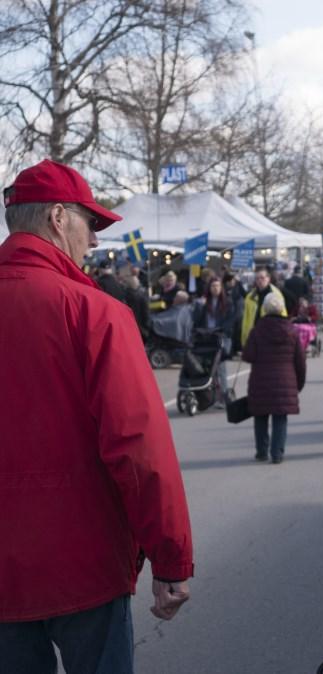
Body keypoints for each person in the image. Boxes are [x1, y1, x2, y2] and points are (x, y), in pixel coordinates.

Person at [0, 159, 193, 673]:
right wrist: (170, 558)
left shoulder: (94, 307)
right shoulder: (94, 311)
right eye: (92, 224)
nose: (94, 241)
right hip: (83, 565)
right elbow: (140, 446)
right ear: (59, 219)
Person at [241, 293, 306, 464]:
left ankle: (262, 451)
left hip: (260, 380)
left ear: (264, 309)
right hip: (285, 380)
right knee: (280, 418)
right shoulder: (292, 331)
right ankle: (277, 453)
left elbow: (248, 356)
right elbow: (300, 360)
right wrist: (299, 383)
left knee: (260, 416)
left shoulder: (257, 330)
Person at [195, 275, 237, 406]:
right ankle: (212, 396)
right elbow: (197, 320)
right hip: (207, 338)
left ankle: (224, 396)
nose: (215, 288)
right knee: (209, 368)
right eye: (213, 286)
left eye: (218, 286)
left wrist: (221, 329)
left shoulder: (228, 302)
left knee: (221, 368)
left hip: (221, 337)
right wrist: (199, 307)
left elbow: (231, 320)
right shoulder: (204, 302)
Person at [240, 266, 286, 348]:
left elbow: (283, 316)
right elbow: (245, 319)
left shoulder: (276, 295)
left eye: (262, 278)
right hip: (254, 336)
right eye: (257, 278)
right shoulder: (250, 297)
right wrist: (244, 339)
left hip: (271, 336)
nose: (260, 281)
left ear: (268, 278)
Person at [123, 274, 151, 342]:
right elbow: (146, 313)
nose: (139, 281)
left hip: (129, 326)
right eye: (137, 280)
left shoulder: (125, 295)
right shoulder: (141, 296)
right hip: (141, 328)